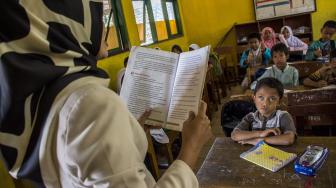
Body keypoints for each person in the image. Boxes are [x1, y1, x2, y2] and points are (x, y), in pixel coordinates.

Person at [0, 1, 213, 187]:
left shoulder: (42, 98)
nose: (103, 26)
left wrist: (131, 133)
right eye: (98, 15)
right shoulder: (91, 104)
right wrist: (190, 149)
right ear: (70, 20)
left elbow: (88, 168)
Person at [231, 77, 296, 146]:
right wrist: (260, 133)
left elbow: (289, 139)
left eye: (272, 98)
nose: (265, 103)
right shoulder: (250, 117)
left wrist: (260, 141)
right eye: (261, 97)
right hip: (255, 155)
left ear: (279, 101)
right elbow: (235, 135)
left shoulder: (283, 116)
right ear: (254, 98)